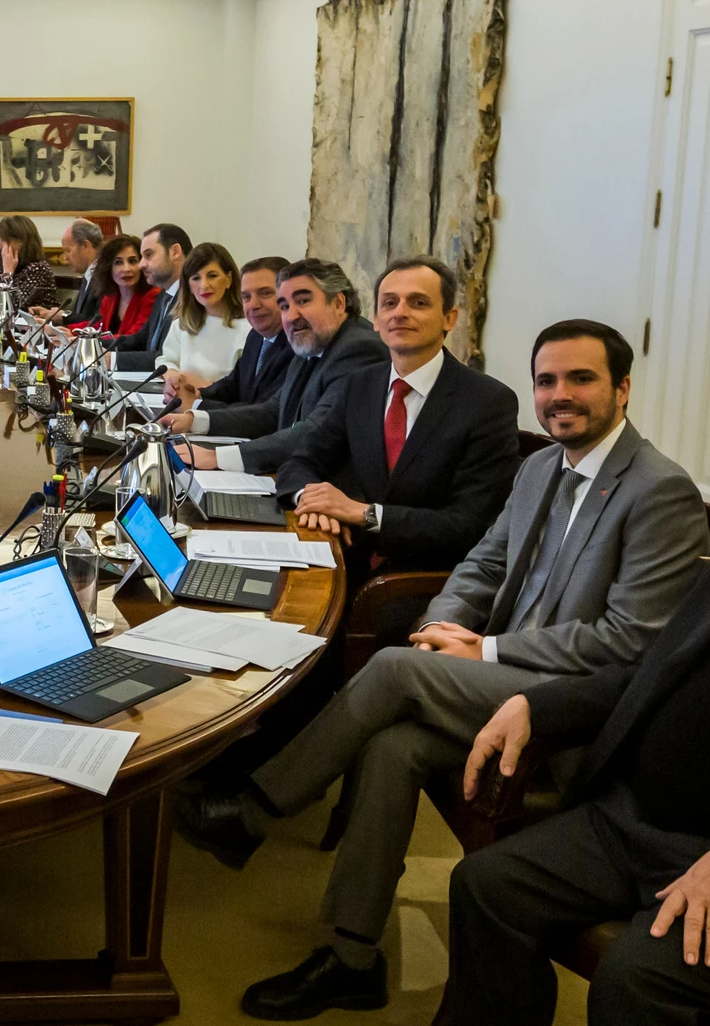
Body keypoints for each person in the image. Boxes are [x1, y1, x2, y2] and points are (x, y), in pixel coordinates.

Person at [175, 319, 708, 1020]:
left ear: (622, 389)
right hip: (495, 671)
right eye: (546, 380)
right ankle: (351, 954)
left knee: (395, 672)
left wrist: (483, 650)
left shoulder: (659, 491)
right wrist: (441, 625)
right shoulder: (543, 465)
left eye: (581, 379)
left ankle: (254, 808)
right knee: (393, 745)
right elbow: (482, 562)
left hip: (570, 702)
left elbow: (627, 643)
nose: (559, 395)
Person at [442, 564, 710, 1025]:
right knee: (485, 887)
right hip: (631, 818)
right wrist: (536, 705)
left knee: (634, 982)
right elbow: (650, 677)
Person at [274, 257, 520, 573]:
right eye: (389, 303)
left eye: (418, 303)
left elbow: (470, 525)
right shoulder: (360, 385)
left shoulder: (488, 402)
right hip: (349, 559)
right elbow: (301, 461)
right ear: (376, 319)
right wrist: (311, 500)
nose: (400, 312)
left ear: (449, 318)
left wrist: (363, 513)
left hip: (425, 579)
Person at [166, 258, 387, 473]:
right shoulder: (311, 339)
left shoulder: (359, 349)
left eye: (303, 301)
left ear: (339, 303)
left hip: (329, 490)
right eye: (284, 305)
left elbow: (315, 431)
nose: (291, 316)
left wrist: (217, 457)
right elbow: (273, 412)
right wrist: (193, 420)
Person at [167, 255, 293, 412]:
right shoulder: (256, 337)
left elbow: (264, 411)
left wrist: (197, 404)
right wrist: (195, 393)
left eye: (265, 293)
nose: (253, 305)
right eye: (246, 297)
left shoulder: (295, 347)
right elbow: (232, 385)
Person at [156, 242, 250, 390]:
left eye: (212, 276)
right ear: (188, 286)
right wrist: (173, 377)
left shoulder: (248, 328)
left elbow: (243, 389)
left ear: (229, 279)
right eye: (196, 278)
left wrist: (199, 385)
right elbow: (167, 360)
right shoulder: (182, 324)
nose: (204, 285)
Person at [114, 223, 192, 370]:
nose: (141, 265)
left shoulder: (194, 298)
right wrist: (93, 343)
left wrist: (112, 360)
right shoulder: (164, 294)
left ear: (175, 251)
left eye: (148, 255)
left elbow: (168, 357)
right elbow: (141, 339)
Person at [81, 234, 157, 338]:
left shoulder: (152, 296)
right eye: (118, 262)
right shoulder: (109, 299)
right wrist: (67, 330)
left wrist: (88, 340)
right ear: (108, 268)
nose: (126, 269)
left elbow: (135, 337)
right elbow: (98, 326)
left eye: (133, 261)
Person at [30, 218, 103, 325]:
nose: (65, 258)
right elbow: (81, 316)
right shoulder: (89, 274)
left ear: (85, 245)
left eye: (68, 250)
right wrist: (51, 314)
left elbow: (97, 321)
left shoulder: (104, 277)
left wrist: (64, 316)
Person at [0, 215, 56, 310]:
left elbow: (13, 306)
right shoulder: (12, 267)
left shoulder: (39, 269)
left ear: (19, 242)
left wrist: (7, 274)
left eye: (3, 241)